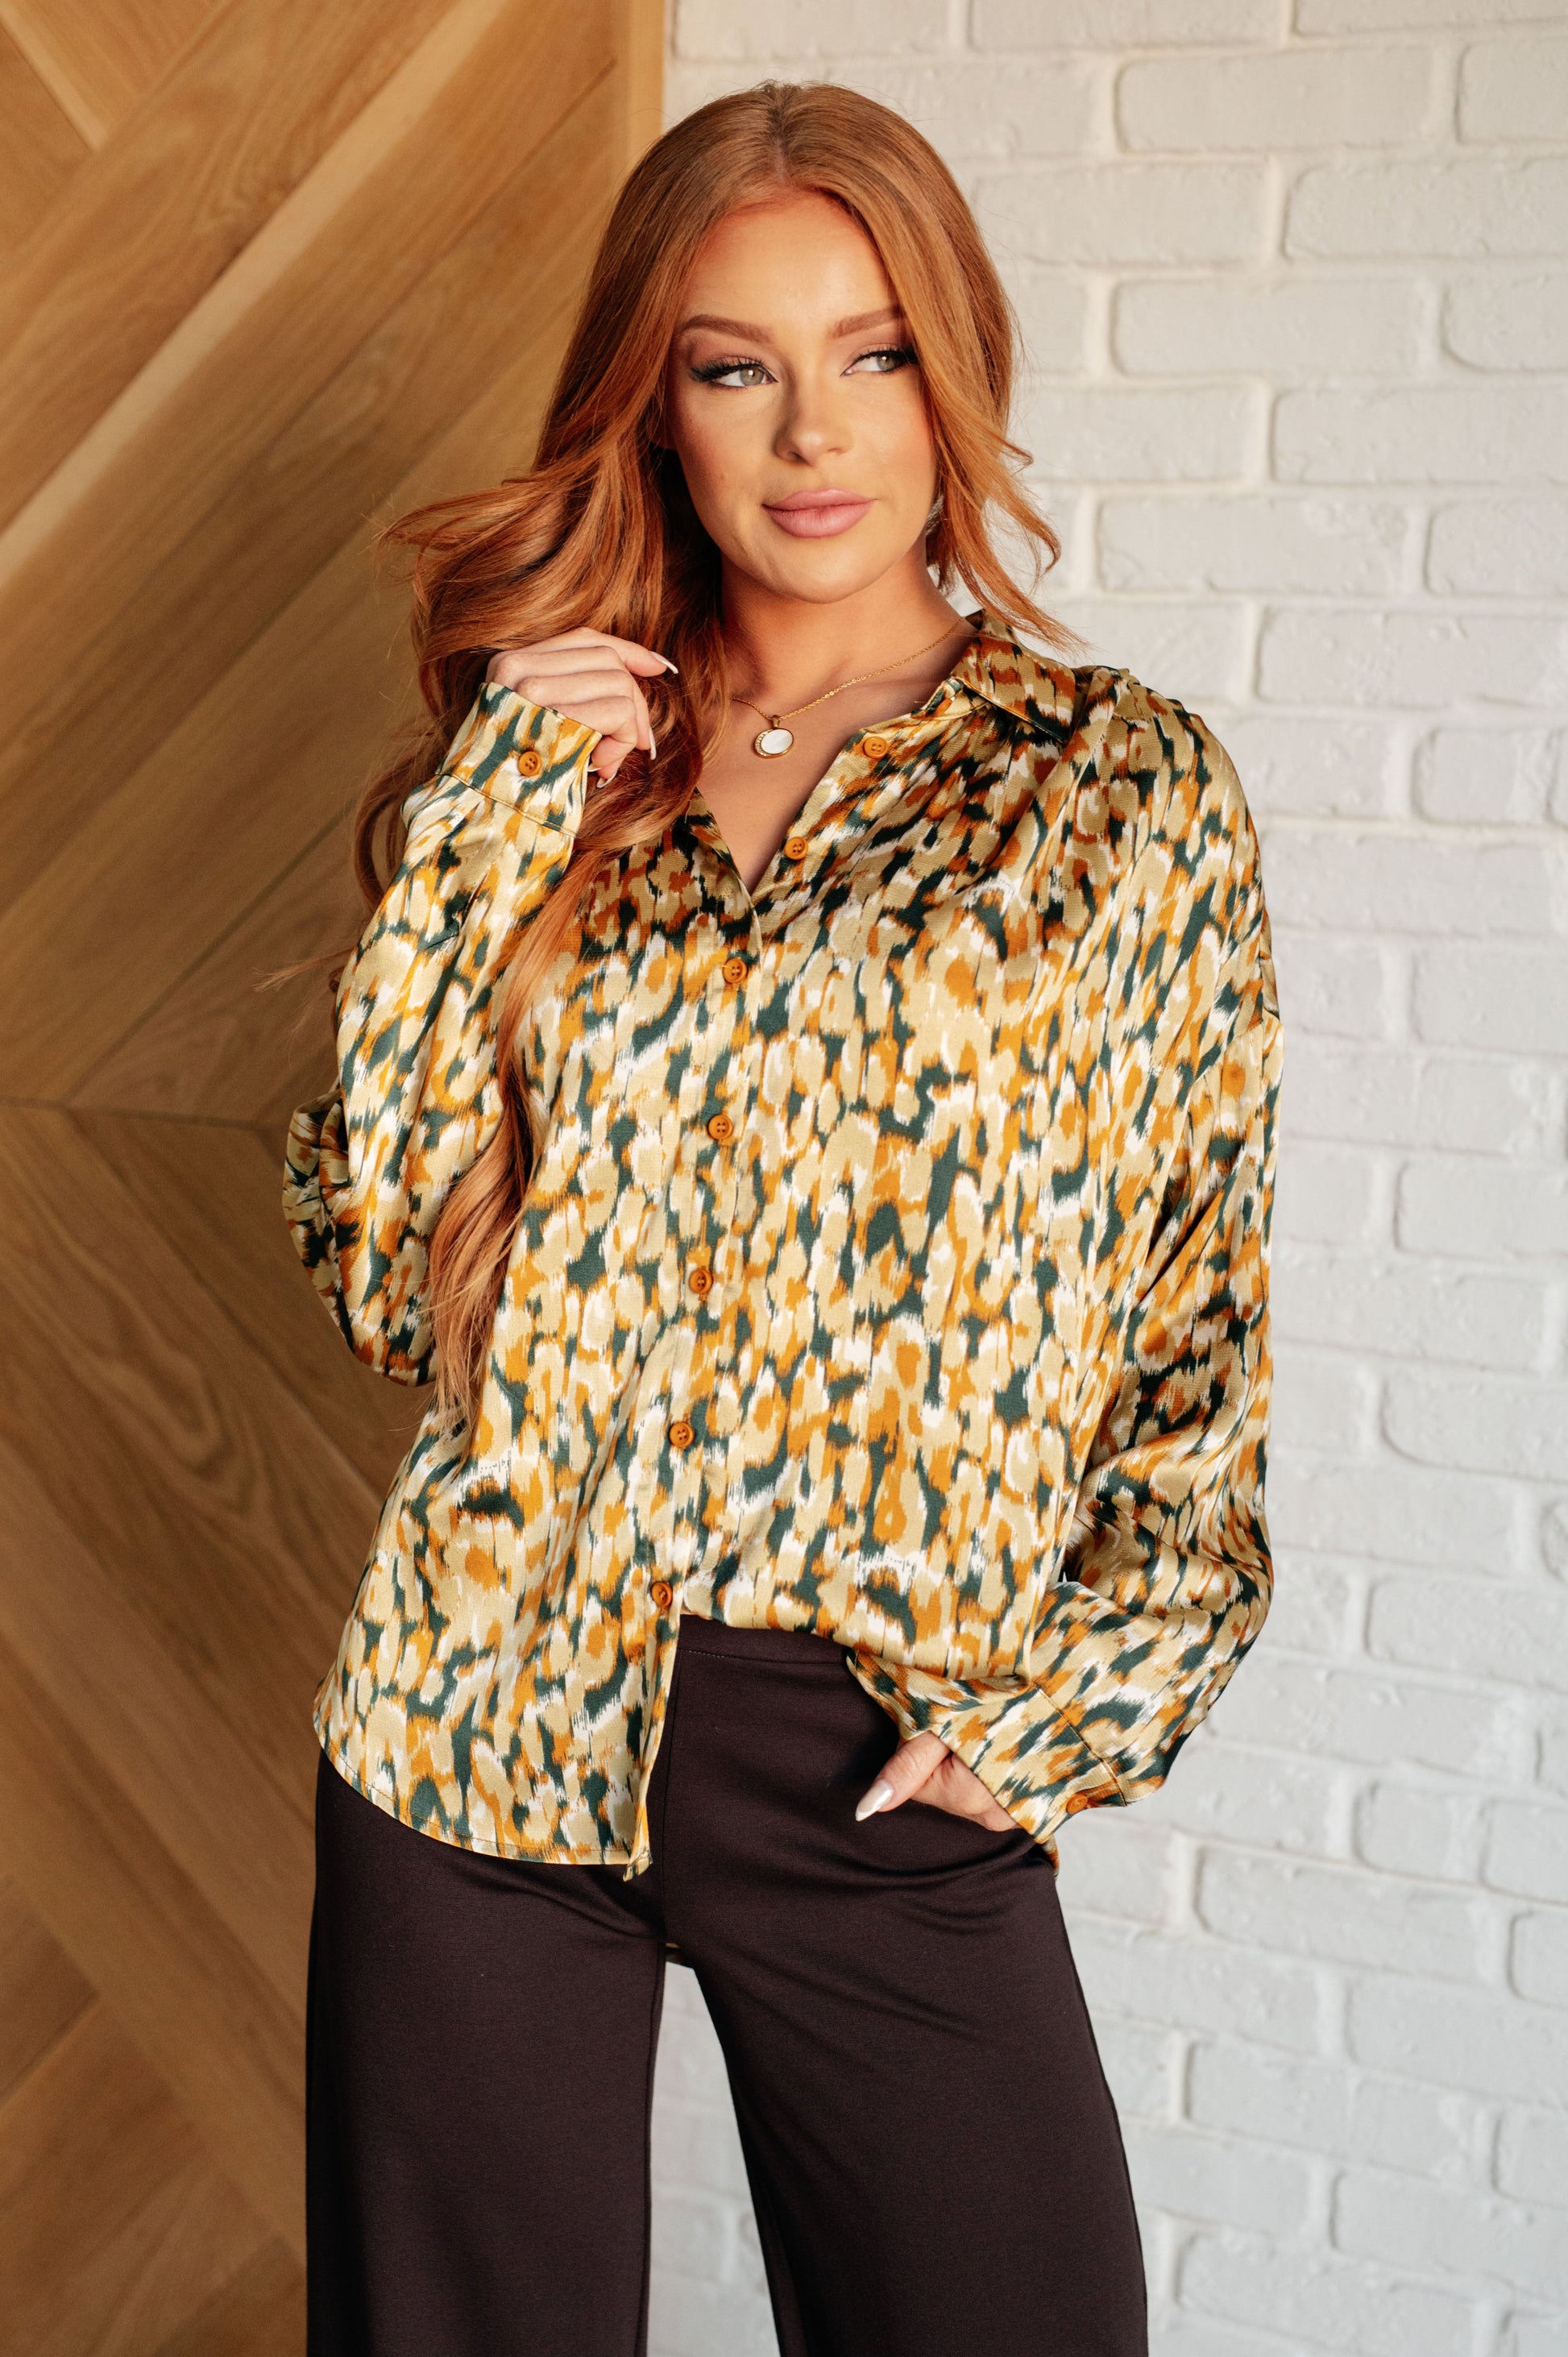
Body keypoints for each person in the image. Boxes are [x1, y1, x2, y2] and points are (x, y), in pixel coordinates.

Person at [283, 77, 1282, 2357]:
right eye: (736, 365)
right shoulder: (559, 770)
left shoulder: (1112, 788)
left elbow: (1194, 1307)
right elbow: (376, 1273)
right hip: (481, 1710)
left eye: (876, 351)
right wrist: (481, 828)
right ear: (657, 405)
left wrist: (1073, 1704)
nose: (813, 432)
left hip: (879, 1744)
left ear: (958, 369)